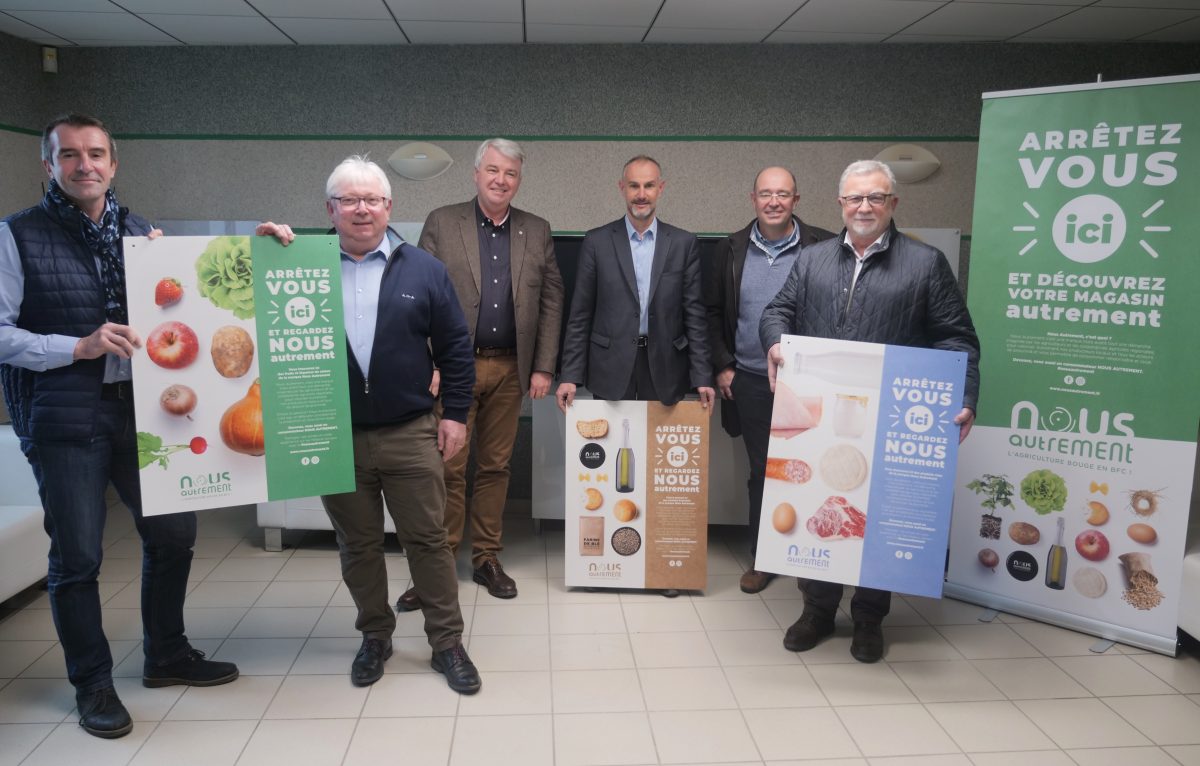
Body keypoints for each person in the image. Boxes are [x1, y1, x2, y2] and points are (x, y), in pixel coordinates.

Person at [0, 114, 238, 740]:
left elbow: (177, 312)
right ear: (47, 164)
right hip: (66, 416)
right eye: (70, 155)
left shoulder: (137, 232)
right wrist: (74, 347)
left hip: (145, 413)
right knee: (77, 557)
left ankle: (166, 654)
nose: (86, 165)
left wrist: (195, 275)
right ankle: (93, 683)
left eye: (96, 154)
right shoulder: (16, 235)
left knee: (174, 535)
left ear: (113, 163)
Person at [256, 156, 481, 694]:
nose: (362, 209)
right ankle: (375, 635)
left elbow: (455, 349)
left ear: (389, 207)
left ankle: (446, 642)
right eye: (349, 200)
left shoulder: (424, 269)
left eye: (372, 199)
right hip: (334, 434)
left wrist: (454, 415)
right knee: (357, 546)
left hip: (409, 433)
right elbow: (243, 305)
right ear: (329, 210)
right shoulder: (297, 268)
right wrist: (261, 250)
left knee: (427, 541)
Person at [759, 159, 980, 663]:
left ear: (892, 204)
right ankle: (816, 609)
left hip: (887, 418)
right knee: (820, 507)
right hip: (819, 421)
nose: (864, 206)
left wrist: (964, 396)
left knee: (873, 517)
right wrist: (774, 342)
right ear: (839, 204)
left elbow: (956, 338)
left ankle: (868, 618)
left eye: (875, 198)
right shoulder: (812, 259)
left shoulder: (925, 265)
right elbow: (777, 311)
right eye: (855, 198)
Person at [406, 138, 563, 605]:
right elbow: (415, 295)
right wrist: (428, 360)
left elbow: (552, 299)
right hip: (454, 367)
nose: (501, 180)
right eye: (493, 170)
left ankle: (486, 558)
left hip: (513, 367)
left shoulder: (536, 229)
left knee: (495, 467)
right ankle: (440, 563)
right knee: (448, 466)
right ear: (476, 174)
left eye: (510, 173)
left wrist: (543, 366)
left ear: (519, 180)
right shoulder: (442, 221)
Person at [704, 167, 835, 594]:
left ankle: (814, 555)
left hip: (811, 382)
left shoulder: (825, 245)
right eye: (765, 193)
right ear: (753, 198)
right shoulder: (731, 248)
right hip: (752, 379)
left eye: (782, 193)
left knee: (815, 469)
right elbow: (712, 312)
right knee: (764, 470)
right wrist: (723, 364)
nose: (773, 201)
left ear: (797, 198)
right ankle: (765, 557)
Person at [556, 155, 714, 412]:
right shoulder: (597, 242)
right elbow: (580, 315)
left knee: (657, 451)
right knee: (614, 447)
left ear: (660, 188)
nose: (642, 194)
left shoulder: (683, 244)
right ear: (622, 188)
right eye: (634, 186)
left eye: (649, 185)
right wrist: (570, 375)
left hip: (666, 366)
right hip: (610, 366)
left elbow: (695, 316)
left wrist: (703, 377)